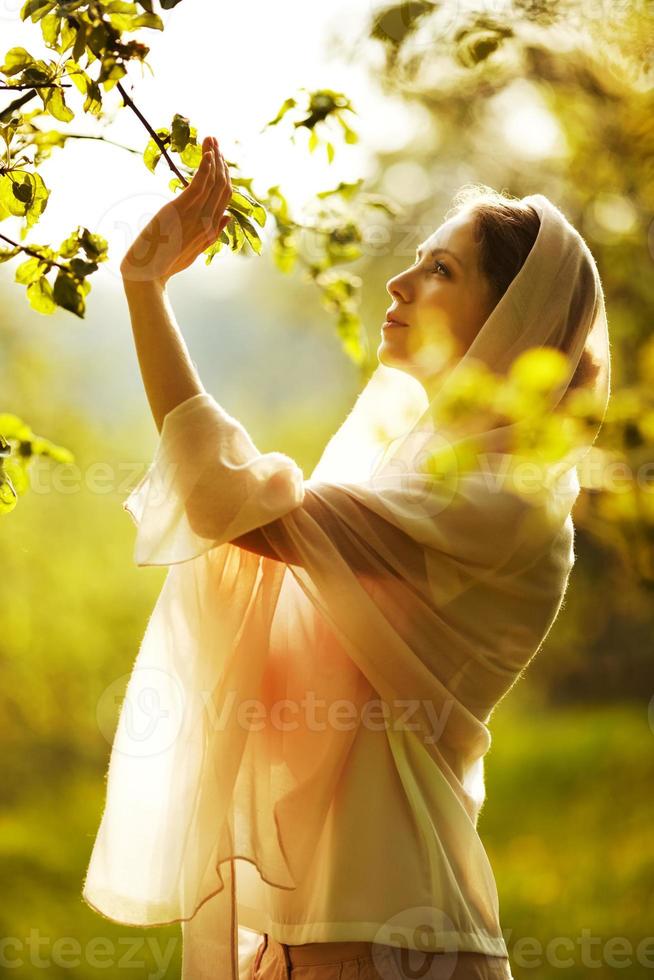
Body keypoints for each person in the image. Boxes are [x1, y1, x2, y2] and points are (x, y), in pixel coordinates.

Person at [82, 136, 610, 980]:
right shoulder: (429, 482)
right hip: (312, 941)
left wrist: (145, 290)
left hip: (397, 941)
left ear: (512, 320)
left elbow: (233, 503)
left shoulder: (503, 500)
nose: (399, 285)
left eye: (440, 270)